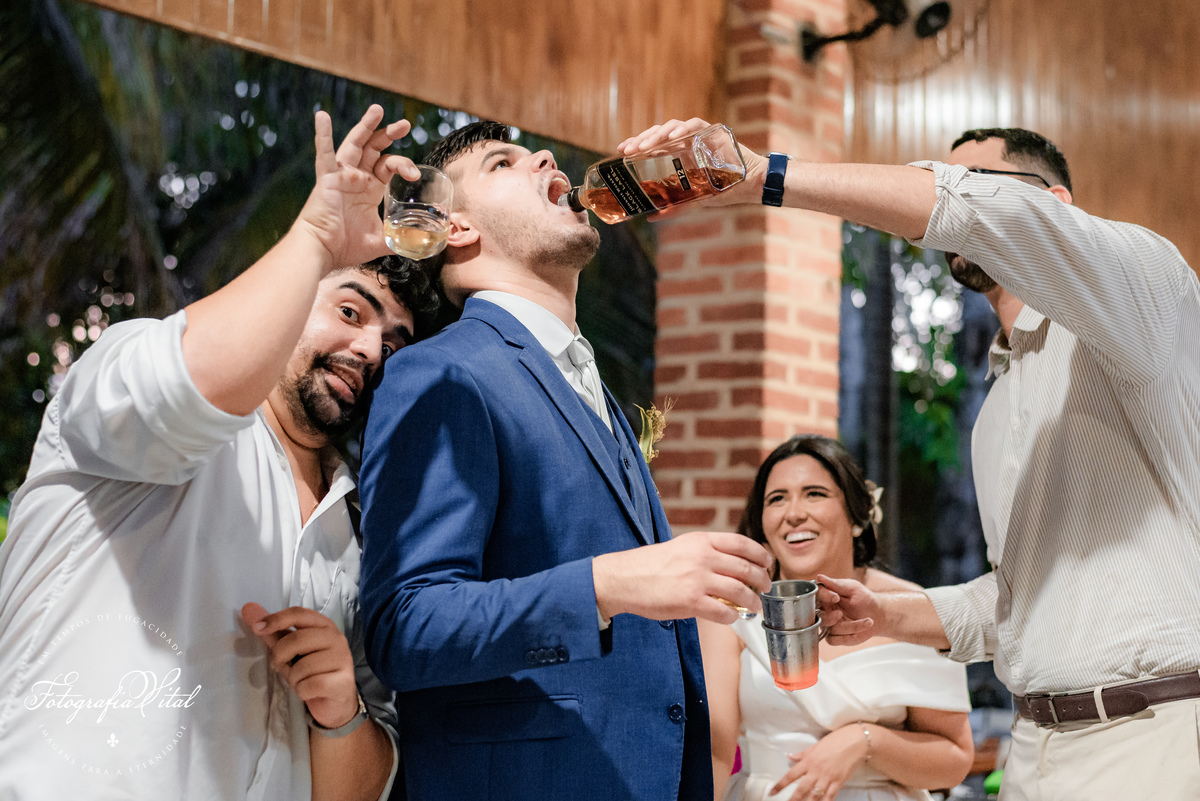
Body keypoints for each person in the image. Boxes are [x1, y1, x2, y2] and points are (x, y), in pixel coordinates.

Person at [619, 121, 1200, 799]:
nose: (955, 197)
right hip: (1034, 745)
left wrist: (762, 176)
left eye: (977, 181)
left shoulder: (1148, 291)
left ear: (1056, 204)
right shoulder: (998, 408)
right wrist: (888, 615)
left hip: (1147, 731)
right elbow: (1012, 601)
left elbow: (969, 210)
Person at [0, 105, 438, 801]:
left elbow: (363, 789)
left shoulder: (366, 530)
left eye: (393, 343)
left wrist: (340, 711)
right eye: (350, 311)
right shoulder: (131, 375)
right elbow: (182, 387)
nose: (369, 349)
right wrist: (318, 238)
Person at [356, 121, 774, 801]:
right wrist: (608, 584)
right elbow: (406, 626)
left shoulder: (594, 389)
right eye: (502, 163)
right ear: (456, 227)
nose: (546, 157)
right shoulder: (442, 372)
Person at [700, 435, 972, 801]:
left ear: (857, 517)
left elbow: (954, 761)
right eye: (776, 499)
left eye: (814, 494)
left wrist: (864, 742)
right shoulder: (734, 609)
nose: (793, 513)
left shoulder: (910, 608)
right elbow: (714, 752)